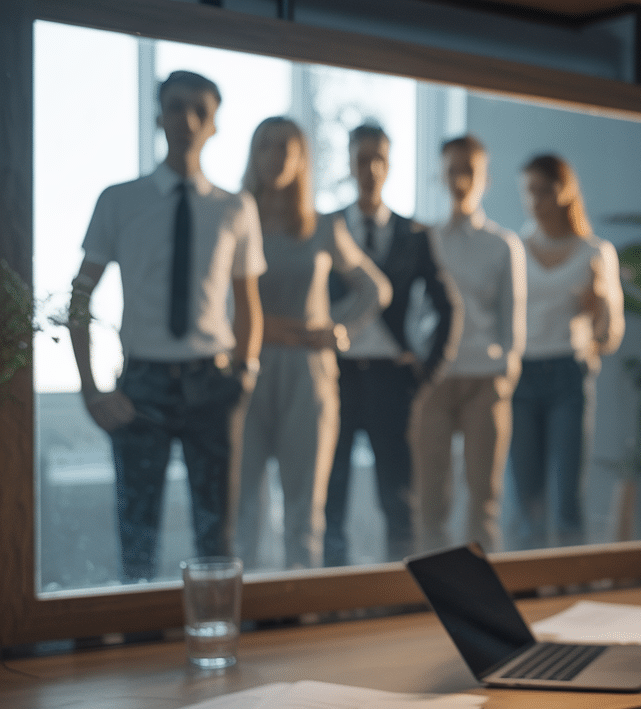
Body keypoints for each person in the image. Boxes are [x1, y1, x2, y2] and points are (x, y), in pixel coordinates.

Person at [68, 70, 265, 583]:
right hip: (142, 386)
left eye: (200, 109)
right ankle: (141, 644)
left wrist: (244, 373)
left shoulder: (235, 208)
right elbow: (80, 295)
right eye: (176, 107)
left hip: (213, 383)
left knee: (216, 538)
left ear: (215, 125)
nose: (187, 119)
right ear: (159, 117)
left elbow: (247, 302)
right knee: (137, 533)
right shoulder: (119, 200)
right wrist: (91, 390)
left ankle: (216, 648)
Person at [236, 117, 390, 570]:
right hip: (246, 370)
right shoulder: (235, 219)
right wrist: (265, 330)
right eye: (266, 146)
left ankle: (297, 614)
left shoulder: (322, 227)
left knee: (305, 510)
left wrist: (336, 329)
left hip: (308, 374)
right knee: (243, 508)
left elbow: (374, 289)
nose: (276, 156)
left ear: (303, 158)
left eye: (287, 147)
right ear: (253, 154)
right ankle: (248, 613)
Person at [323, 123, 460, 567]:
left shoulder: (414, 233)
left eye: (379, 158)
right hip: (335, 375)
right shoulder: (326, 228)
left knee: (399, 497)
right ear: (349, 162)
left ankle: (400, 594)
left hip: (390, 377)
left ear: (390, 164)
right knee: (330, 495)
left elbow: (448, 306)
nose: (371, 168)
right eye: (362, 158)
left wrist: (426, 371)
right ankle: (331, 591)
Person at [504, 154, 624, 550]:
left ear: (565, 191)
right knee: (526, 501)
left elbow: (609, 336)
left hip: (568, 376)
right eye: (529, 192)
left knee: (567, 497)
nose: (536, 201)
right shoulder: (513, 249)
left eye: (545, 190)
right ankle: (529, 591)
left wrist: (598, 303)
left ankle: (571, 590)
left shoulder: (595, 251)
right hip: (520, 375)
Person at [412, 134, 525, 552]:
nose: (460, 179)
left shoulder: (502, 244)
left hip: (485, 379)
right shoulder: (426, 239)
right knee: (430, 499)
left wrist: (505, 373)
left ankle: (483, 597)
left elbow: (513, 317)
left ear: (485, 179)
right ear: (439, 176)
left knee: (484, 499)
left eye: (469, 170)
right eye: (452, 170)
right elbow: (415, 309)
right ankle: (435, 593)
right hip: (435, 380)